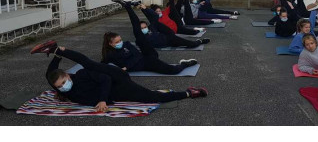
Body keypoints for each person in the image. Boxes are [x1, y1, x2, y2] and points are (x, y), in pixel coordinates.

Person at [30, 41, 207, 111]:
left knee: (153, 97)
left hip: (117, 79)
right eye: (59, 86)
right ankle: (55, 51)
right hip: (114, 92)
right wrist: (55, 60)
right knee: (150, 99)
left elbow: (105, 80)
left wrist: (102, 100)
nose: (62, 87)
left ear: (68, 77)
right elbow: (50, 75)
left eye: (63, 83)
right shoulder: (61, 87)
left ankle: (189, 92)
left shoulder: (81, 76)